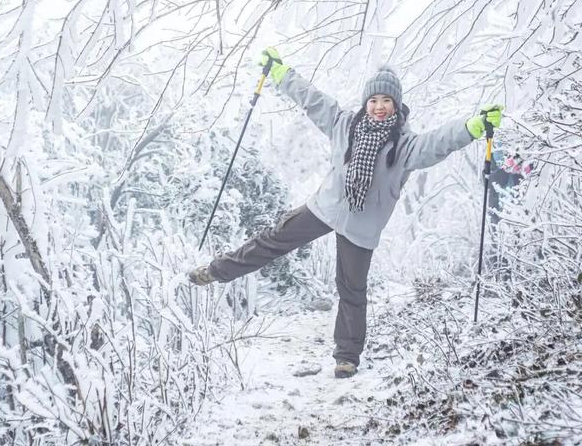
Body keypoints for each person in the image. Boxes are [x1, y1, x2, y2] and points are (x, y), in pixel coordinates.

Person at [188, 48, 503, 379]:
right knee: (273, 239)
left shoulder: (405, 146)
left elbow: (439, 142)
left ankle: (347, 357)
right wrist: (280, 73)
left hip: (361, 226)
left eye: (386, 101)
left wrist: (472, 127)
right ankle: (216, 271)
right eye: (374, 100)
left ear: (396, 105)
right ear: (366, 102)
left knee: (352, 289)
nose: (379, 106)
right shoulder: (345, 125)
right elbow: (312, 99)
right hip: (325, 207)